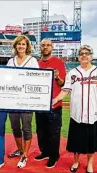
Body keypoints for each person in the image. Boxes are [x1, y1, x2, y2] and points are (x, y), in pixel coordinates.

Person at [52, 45, 97, 173]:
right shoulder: (73, 73)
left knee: (91, 142)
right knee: (76, 141)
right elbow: (65, 90)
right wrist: (56, 99)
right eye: (81, 53)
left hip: (93, 113)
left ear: (91, 56)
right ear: (78, 57)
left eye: (87, 53)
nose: (84, 55)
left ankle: (89, 164)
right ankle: (76, 162)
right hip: (77, 114)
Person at [6, 35, 39, 168]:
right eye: (19, 44)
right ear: (15, 46)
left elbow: (38, 79)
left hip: (27, 100)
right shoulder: (10, 61)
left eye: (23, 44)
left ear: (27, 46)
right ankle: (20, 149)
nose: (21, 46)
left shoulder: (32, 61)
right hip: (13, 99)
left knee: (26, 127)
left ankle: (25, 155)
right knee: (15, 126)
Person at [34, 38, 66, 168]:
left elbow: (63, 83)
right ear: (40, 48)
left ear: (52, 47)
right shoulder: (36, 63)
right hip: (40, 103)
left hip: (54, 104)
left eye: (48, 45)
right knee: (41, 130)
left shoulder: (58, 62)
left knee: (53, 131)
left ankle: (54, 156)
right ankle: (45, 152)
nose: (46, 47)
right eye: (43, 45)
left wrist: (57, 77)